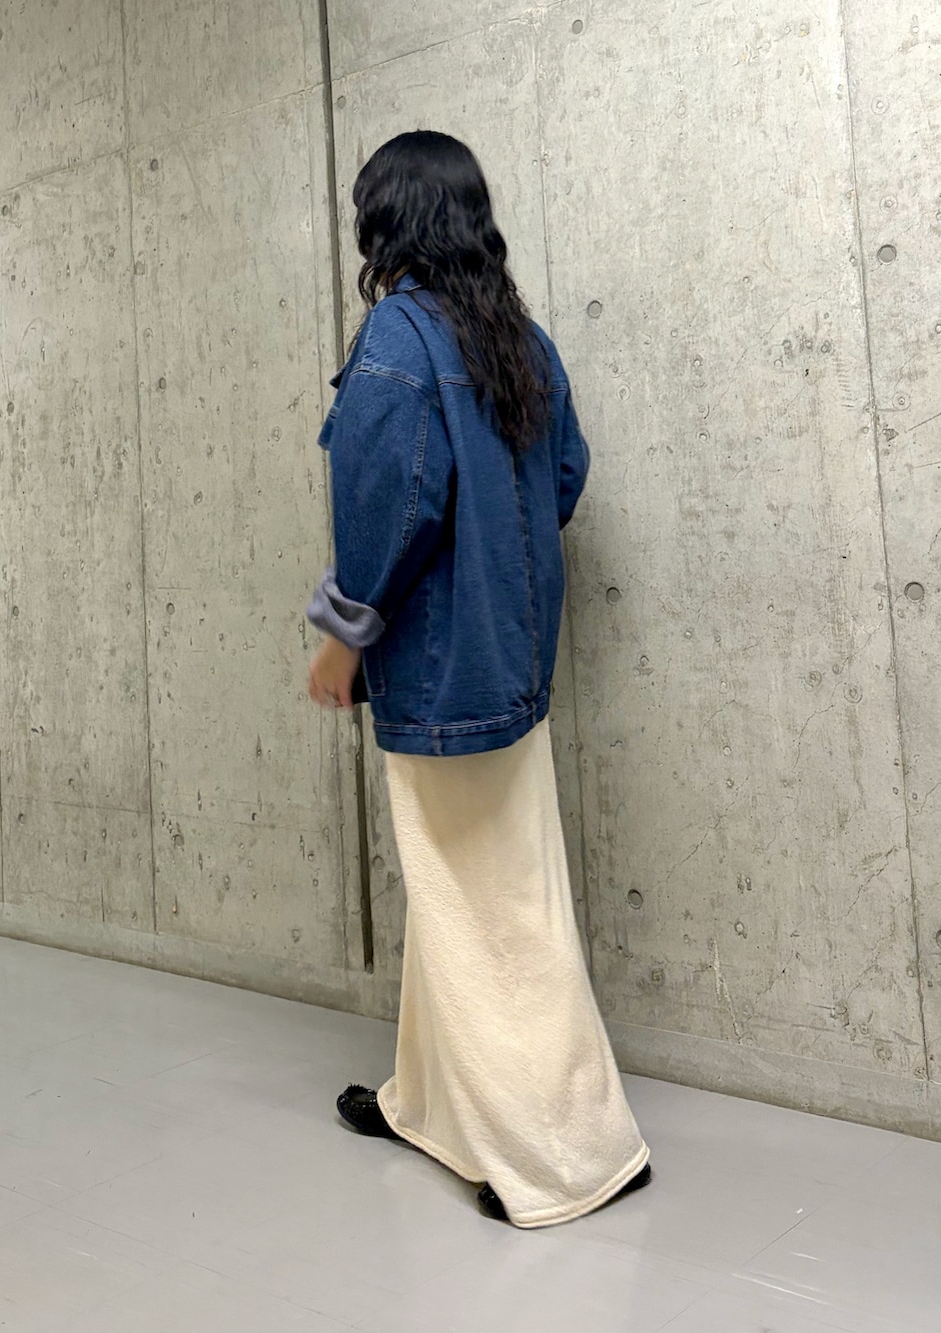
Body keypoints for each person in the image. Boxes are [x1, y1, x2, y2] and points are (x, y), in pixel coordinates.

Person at [306, 130, 650, 1228]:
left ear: (387, 223)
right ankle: (425, 1102)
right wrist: (501, 564)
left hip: (441, 667)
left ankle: (566, 1157)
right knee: (482, 885)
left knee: (485, 911)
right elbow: (564, 475)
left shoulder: (398, 339)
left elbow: (386, 507)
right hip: (512, 655)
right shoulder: (519, 336)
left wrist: (342, 633)